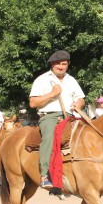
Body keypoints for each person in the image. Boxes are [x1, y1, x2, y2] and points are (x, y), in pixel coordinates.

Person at [29, 50, 85, 189]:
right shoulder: (42, 79)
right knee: (49, 136)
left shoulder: (71, 80)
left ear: (68, 64)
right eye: (57, 64)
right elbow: (33, 103)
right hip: (50, 116)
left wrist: (78, 104)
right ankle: (44, 175)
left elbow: (81, 99)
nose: (61, 66)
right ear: (52, 64)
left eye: (64, 64)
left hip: (70, 115)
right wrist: (52, 94)